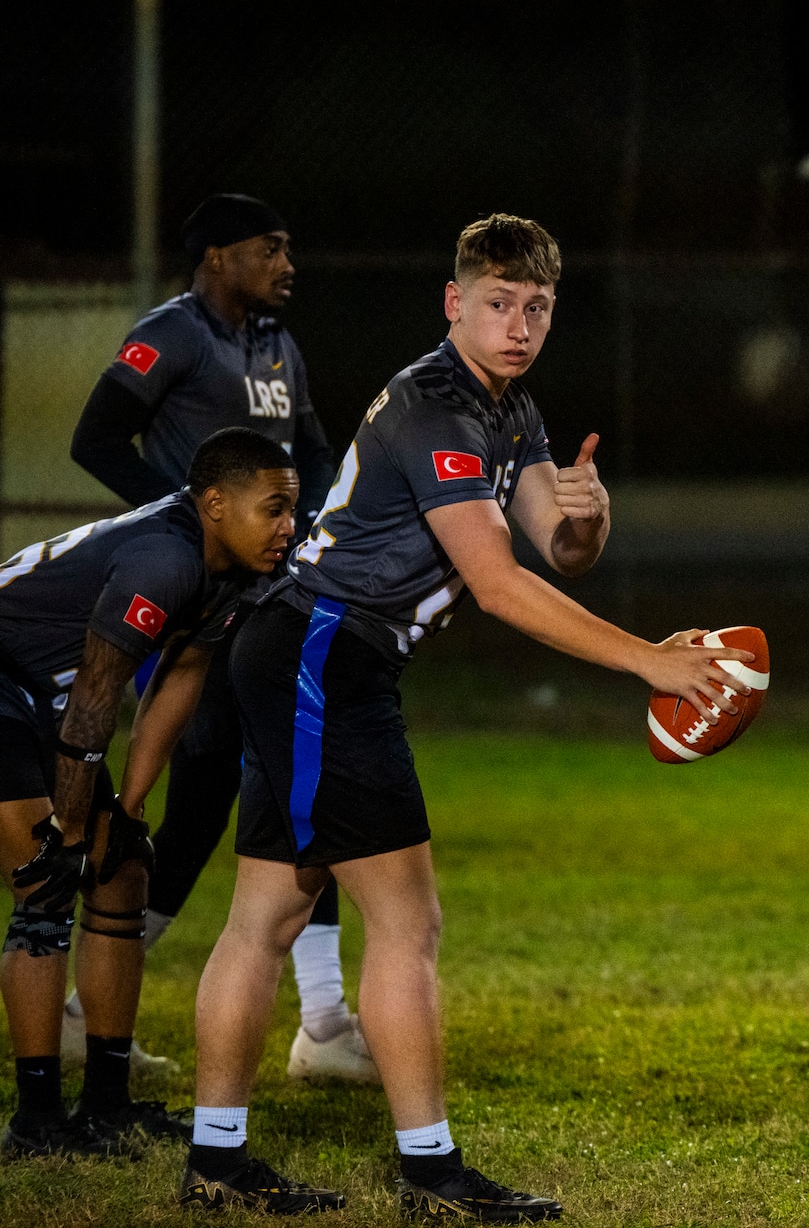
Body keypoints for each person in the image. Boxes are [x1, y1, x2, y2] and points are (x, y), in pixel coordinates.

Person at [180, 214, 751, 1219]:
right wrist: (646, 662)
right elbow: (496, 584)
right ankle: (430, 1174)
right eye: (497, 303)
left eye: (535, 307)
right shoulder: (435, 406)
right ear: (455, 304)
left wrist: (588, 512)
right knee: (407, 919)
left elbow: (553, 549)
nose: (518, 324)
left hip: (308, 651)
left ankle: (216, 1164)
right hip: (325, 654)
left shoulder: (512, 410)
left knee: (265, 913)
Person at [68, 194, 367, 1082]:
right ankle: (317, 1023)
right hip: (199, 601)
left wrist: (312, 524)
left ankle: (322, 1019)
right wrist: (185, 517)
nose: (287, 263)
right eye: (270, 247)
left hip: (267, 593)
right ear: (215, 256)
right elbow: (96, 438)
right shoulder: (172, 334)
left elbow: (312, 451)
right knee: (234, 787)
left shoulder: (278, 343)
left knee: (281, 775)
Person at [2, 429, 298, 1157]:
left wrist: (127, 811)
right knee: (46, 882)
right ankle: (37, 1119)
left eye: (292, 508)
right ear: (216, 504)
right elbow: (101, 691)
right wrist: (69, 832)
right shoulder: (164, 560)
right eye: (275, 508)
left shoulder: (238, 565)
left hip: (56, 701)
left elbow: (184, 672)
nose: (289, 525)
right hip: (10, 688)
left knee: (124, 870)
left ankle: (106, 1103)